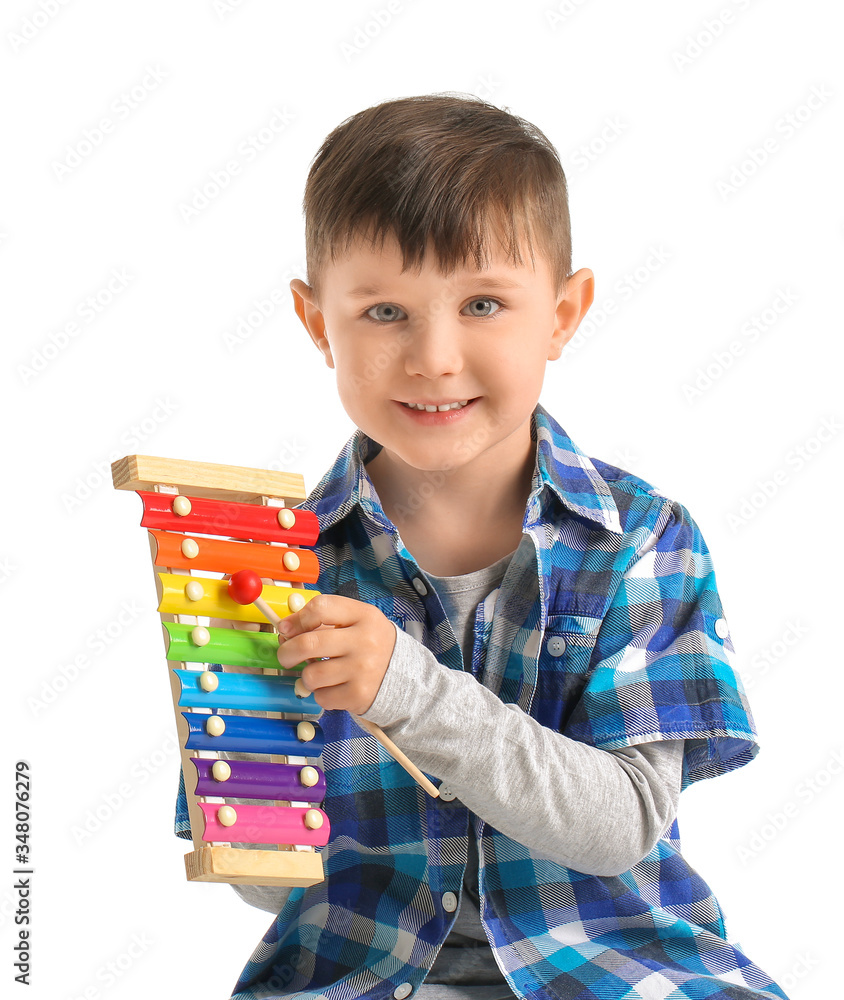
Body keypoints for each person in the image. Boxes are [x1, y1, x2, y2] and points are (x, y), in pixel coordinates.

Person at [175, 92, 789, 1000]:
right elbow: (272, 887)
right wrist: (232, 753)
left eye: (484, 303)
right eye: (385, 312)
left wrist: (408, 690)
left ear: (563, 313)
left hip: (613, 964)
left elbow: (623, 824)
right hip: (359, 974)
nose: (434, 356)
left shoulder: (643, 541)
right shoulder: (275, 564)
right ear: (317, 324)